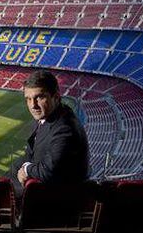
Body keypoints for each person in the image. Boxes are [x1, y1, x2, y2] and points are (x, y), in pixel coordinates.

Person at [8, 70, 90, 199]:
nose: (33, 105)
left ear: (56, 97)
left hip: (57, 199)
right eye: (28, 99)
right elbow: (30, 154)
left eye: (39, 97)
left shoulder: (65, 128)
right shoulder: (47, 116)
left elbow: (49, 172)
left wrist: (27, 169)